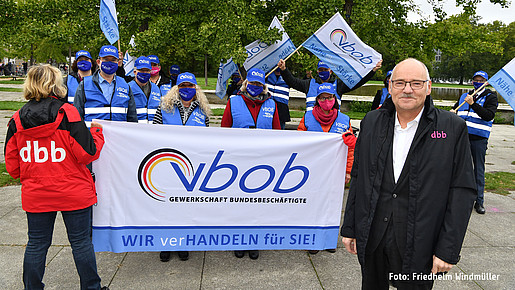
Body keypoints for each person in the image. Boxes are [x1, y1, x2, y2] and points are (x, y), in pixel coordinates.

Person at [341, 58, 476, 289]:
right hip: (374, 235)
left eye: (415, 83)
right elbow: (359, 176)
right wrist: (351, 227)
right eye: (400, 82)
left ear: (428, 87)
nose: (407, 90)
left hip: (421, 241)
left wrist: (448, 249)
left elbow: (462, 190)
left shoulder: (451, 128)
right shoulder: (372, 122)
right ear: (390, 86)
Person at [4, 64, 108, 290]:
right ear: (55, 84)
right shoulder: (68, 113)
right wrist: (97, 134)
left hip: (37, 193)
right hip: (73, 192)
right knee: (81, 243)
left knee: (37, 244)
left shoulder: (17, 119)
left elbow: (12, 167)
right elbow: (88, 153)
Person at [221, 68, 280, 259]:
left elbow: (278, 133)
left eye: (258, 84)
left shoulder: (272, 103)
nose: (255, 87)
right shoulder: (234, 101)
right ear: (246, 83)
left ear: (263, 85)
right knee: (238, 202)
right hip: (238, 161)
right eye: (252, 83)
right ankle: (239, 239)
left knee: (258, 203)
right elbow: (224, 130)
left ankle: (254, 240)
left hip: (263, 162)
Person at [153, 72, 210, 262]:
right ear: (177, 88)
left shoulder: (202, 111)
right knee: (167, 206)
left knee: (186, 206)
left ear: (196, 88)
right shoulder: (165, 108)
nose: (187, 89)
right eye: (183, 85)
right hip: (167, 164)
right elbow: (153, 135)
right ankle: (166, 243)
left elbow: (208, 139)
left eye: (190, 86)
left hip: (192, 167)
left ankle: (184, 242)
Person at [298, 83, 356, 255]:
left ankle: (329, 240)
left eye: (329, 97)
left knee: (333, 206)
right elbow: (298, 143)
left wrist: (347, 171)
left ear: (334, 99)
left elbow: (350, 148)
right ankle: (313, 240)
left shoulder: (344, 120)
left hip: (335, 171)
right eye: (323, 97)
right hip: (313, 170)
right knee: (313, 205)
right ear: (317, 100)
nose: (326, 100)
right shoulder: (307, 118)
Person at [450, 71, 498, 215]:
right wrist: (452, 113)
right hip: (462, 138)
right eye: (476, 79)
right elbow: (457, 111)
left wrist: (474, 104)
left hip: (478, 139)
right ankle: (459, 199)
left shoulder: (490, 96)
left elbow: (488, 115)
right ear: (472, 82)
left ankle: (479, 201)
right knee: (458, 169)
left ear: (486, 82)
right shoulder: (465, 96)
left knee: (477, 170)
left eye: (481, 80)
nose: (478, 82)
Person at [277, 58, 382, 111]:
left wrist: (372, 71)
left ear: (331, 71)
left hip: (332, 126)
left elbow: (357, 82)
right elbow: (292, 81)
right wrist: (283, 70)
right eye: (320, 70)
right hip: (312, 125)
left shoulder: (339, 85)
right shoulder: (309, 84)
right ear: (317, 71)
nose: (323, 71)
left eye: (325, 70)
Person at [74, 45, 138, 127]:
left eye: (113, 60)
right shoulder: (84, 84)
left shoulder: (125, 85)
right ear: (98, 62)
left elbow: (132, 118)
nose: (109, 62)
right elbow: (77, 116)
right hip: (92, 137)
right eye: (106, 59)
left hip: (118, 138)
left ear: (118, 63)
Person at [128, 56, 161, 123]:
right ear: (135, 71)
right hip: (135, 129)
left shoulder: (156, 88)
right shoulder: (128, 87)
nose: (144, 72)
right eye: (142, 70)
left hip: (154, 130)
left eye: (147, 70)